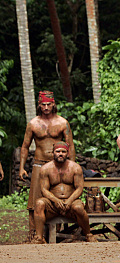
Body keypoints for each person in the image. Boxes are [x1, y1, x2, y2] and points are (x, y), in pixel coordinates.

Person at [19, 91, 75, 241]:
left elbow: (70, 145)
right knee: (35, 200)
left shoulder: (62, 123)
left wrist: (73, 166)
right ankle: (34, 235)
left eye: (48, 104)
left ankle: (56, 234)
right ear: (39, 105)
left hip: (58, 165)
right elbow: (25, 146)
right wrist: (21, 167)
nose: (45, 107)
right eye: (43, 104)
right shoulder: (33, 124)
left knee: (59, 195)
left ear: (53, 104)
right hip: (39, 163)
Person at [31, 142, 97, 244]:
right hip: (52, 203)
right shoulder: (45, 169)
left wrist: (70, 201)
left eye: (63, 151)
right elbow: (44, 189)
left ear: (68, 153)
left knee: (79, 208)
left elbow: (79, 188)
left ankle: (88, 234)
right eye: (58, 151)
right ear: (53, 153)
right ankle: (39, 237)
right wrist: (55, 200)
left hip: (71, 202)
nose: (60, 154)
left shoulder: (75, 168)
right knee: (39, 203)